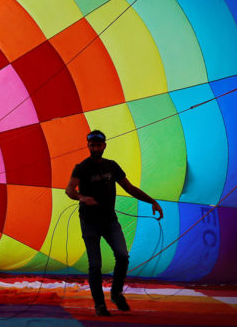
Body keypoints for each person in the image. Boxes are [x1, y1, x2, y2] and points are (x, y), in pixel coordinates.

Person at [65, 129, 163, 317]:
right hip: (89, 222)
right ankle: (99, 304)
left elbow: (129, 187)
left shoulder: (112, 166)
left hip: (110, 220)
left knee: (123, 256)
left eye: (98, 145)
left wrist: (152, 201)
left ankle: (116, 294)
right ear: (88, 146)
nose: (95, 148)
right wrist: (81, 197)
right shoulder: (82, 167)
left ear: (104, 146)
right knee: (95, 264)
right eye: (92, 145)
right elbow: (69, 189)